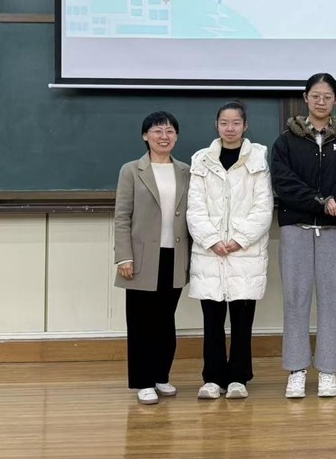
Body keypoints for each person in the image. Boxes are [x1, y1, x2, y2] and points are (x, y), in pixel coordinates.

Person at [271, 73, 336, 399]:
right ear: (305, 98)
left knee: (331, 300)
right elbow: (284, 183)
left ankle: (328, 370)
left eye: (327, 96)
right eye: (315, 96)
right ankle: (296, 369)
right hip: (295, 229)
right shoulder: (286, 140)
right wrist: (321, 201)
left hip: (333, 231)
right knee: (295, 299)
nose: (321, 101)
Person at [186, 101, 273, 400]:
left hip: (244, 253)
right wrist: (211, 239)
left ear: (245, 125)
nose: (230, 128)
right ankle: (212, 378)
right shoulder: (201, 160)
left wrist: (239, 239)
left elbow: (263, 208)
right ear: (216, 125)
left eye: (236, 123)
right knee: (212, 321)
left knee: (242, 321)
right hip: (209, 253)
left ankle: (238, 378)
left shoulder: (258, 159)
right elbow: (194, 208)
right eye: (224, 123)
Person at [114, 111, 190, 405]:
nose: (163, 136)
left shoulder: (185, 171)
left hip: (175, 254)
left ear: (176, 137)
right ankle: (143, 381)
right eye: (157, 131)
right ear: (145, 136)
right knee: (140, 322)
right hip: (142, 257)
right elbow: (122, 217)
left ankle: (161, 375)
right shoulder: (131, 170)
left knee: (165, 320)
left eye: (170, 131)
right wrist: (124, 257)